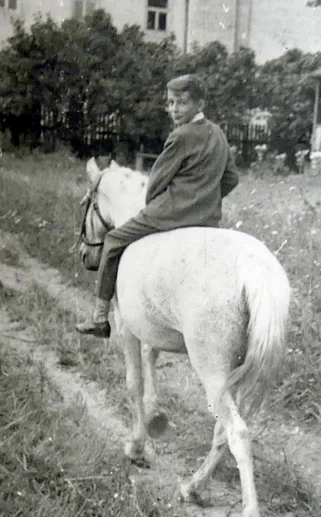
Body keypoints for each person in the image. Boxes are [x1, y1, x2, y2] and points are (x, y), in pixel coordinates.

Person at [76, 73, 240, 338]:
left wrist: (162, 204)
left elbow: (156, 182)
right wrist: (206, 198)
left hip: (170, 214)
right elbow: (232, 177)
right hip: (207, 218)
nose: (174, 109)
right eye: (171, 103)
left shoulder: (181, 136)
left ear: (200, 104)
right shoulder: (218, 133)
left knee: (115, 239)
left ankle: (99, 318)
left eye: (182, 103)